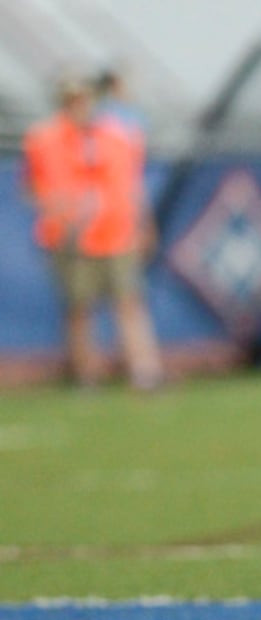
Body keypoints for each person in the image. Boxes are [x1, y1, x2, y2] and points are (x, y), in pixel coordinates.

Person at [21, 75, 163, 391]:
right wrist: (53, 206)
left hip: (116, 232)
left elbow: (132, 184)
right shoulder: (43, 138)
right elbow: (30, 186)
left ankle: (145, 372)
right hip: (71, 235)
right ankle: (87, 375)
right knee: (79, 308)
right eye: (72, 100)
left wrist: (145, 223)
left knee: (129, 302)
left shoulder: (117, 135)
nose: (80, 106)